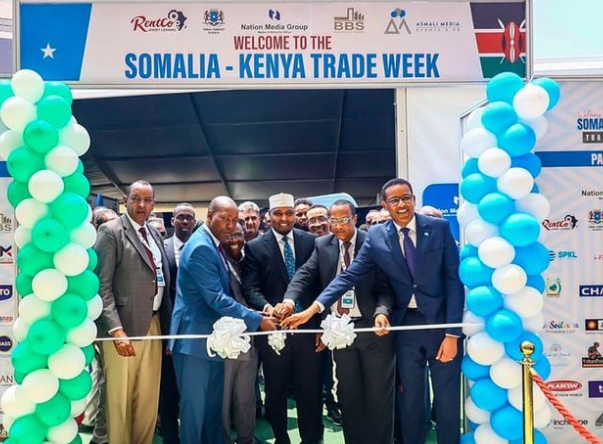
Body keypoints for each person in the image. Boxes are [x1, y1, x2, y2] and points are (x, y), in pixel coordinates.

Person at [282, 178, 464, 444]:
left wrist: (452, 334)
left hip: (438, 326)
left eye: (406, 198)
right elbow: (350, 275)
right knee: (410, 403)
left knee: (447, 404)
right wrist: (313, 309)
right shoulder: (378, 236)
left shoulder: (438, 228)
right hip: (404, 328)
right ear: (385, 205)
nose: (401, 204)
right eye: (394, 200)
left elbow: (453, 281)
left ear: (414, 199)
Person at [281, 199, 396, 444]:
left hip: (372, 329)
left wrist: (382, 311)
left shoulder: (373, 242)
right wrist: (290, 301)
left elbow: (386, 287)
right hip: (339, 332)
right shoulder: (323, 245)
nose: (339, 225)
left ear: (355, 219)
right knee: (348, 396)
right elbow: (304, 274)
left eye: (344, 220)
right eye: (334, 220)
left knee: (378, 398)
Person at [170, 196, 276, 444]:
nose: (230, 225)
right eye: (224, 218)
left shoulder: (213, 243)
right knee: (194, 410)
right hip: (194, 342)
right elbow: (216, 299)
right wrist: (256, 320)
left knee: (212, 409)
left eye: (234, 220)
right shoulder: (201, 247)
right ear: (209, 216)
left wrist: (255, 314)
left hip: (213, 341)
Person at [95, 180, 172, 444]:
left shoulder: (154, 233)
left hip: (153, 324)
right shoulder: (110, 231)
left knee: (147, 399)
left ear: (153, 204)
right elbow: (101, 287)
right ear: (125, 201)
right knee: (119, 401)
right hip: (122, 330)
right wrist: (116, 330)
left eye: (146, 200)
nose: (141, 205)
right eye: (135, 199)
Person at [242, 193, 323, 444]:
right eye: (278, 213)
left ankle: (311, 438)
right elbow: (251, 288)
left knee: (310, 389)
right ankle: (281, 438)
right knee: (275, 390)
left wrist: (321, 326)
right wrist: (268, 308)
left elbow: (320, 286)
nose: (285, 218)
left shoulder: (312, 242)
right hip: (273, 329)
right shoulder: (255, 247)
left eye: (289, 213)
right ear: (269, 217)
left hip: (308, 328)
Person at [158, 203, 196, 444]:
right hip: (167, 327)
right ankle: (171, 435)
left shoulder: (204, 246)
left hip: (196, 330)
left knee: (192, 388)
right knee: (168, 386)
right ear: (172, 221)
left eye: (189, 218)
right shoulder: (161, 248)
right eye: (180, 217)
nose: (184, 222)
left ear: (194, 222)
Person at [220, 222, 260, 444]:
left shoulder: (249, 261)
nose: (234, 239)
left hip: (249, 337)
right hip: (224, 338)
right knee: (224, 398)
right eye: (229, 235)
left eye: (238, 235)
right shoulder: (216, 260)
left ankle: (247, 439)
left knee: (246, 396)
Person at [82, 206, 118, 444]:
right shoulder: (88, 253)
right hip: (97, 328)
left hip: (104, 327)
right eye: (108, 223)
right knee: (101, 380)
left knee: (102, 379)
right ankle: (98, 432)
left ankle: (95, 422)